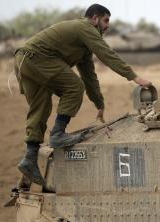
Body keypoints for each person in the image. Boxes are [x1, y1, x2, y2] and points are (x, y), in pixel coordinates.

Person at [14, 4, 151, 188]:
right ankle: (58, 134)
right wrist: (134, 76)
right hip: (37, 57)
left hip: (23, 61)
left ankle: (30, 159)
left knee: (41, 106)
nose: (107, 26)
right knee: (73, 87)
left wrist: (99, 103)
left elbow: (89, 75)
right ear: (94, 18)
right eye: (106, 20)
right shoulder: (85, 28)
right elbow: (106, 53)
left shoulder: (82, 46)